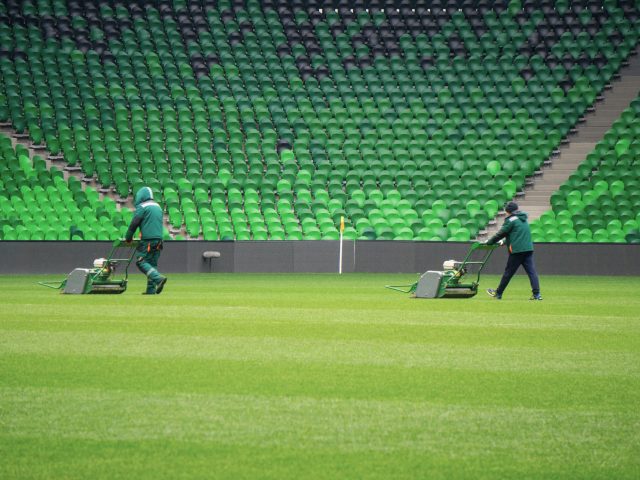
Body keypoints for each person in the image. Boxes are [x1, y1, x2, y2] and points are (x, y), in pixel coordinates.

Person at [486, 201, 542, 300]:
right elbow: (515, 234)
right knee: (532, 272)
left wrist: (489, 242)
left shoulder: (511, 220)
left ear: (508, 211)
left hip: (517, 251)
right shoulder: (523, 218)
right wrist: (503, 242)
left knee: (508, 273)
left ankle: (498, 293)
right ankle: (537, 294)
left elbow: (501, 233)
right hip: (528, 249)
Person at [125, 186, 167, 295]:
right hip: (159, 240)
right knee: (152, 264)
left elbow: (135, 223)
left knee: (141, 261)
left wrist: (128, 237)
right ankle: (151, 290)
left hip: (147, 240)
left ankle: (158, 279)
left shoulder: (142, 207)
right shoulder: (158, 206)